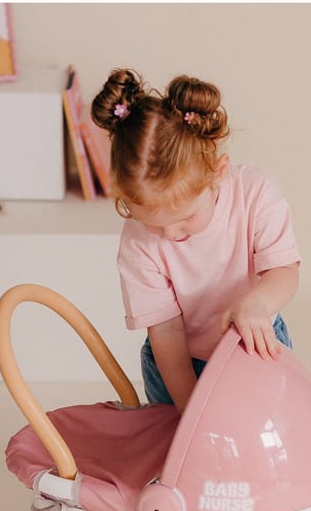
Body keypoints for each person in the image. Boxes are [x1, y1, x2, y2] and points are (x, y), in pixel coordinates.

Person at [91, 68, 300, 413]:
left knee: (266, 429)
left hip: (253, 345)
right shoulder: (137, 243)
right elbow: (166, 331)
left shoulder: (255, 194)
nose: (172, 235)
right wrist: (192, 409)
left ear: (218, 172)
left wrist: (257, 304)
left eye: (186, 217)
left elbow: (284, 270)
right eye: (154, 225)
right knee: (180, 443)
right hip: (178, 365)